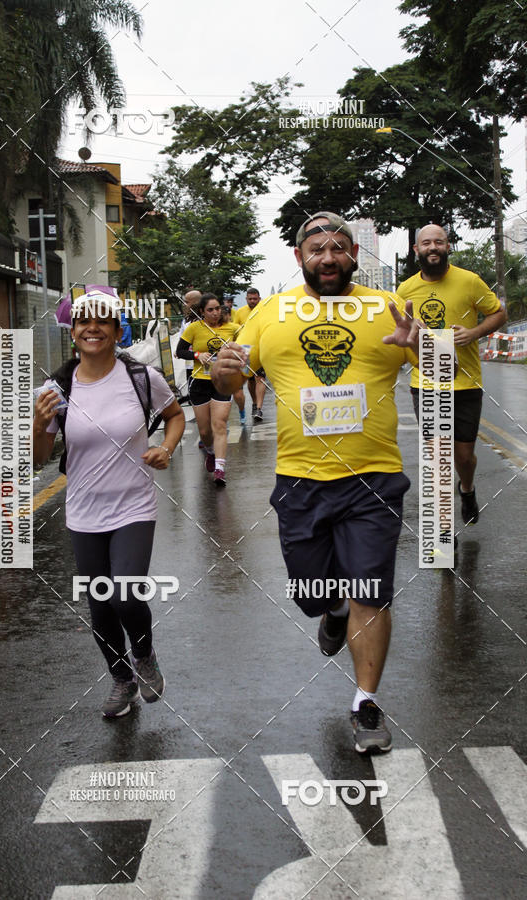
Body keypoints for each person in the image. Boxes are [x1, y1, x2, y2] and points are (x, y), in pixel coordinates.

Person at [212, 211, 421, 753]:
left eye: (338, 248)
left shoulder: (386, 307)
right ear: (300, 257)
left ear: (353, 254)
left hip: (374, 478)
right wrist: (224, 366)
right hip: (301, 480)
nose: (328, 257)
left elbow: (437, 371)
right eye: (317, 249)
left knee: (369, 590)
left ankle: (366, 704)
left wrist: (420, 346)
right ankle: (330, 611)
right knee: (315, 592)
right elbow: (226, 379)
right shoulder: (271, 313)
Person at [33, 290, 185, 718]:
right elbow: (38, 458)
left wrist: (166, 448)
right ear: (74, 333)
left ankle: (145, 656)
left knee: (125, 593)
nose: (92, 327)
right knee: (100, 606)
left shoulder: (141, 378)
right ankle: (122, 681)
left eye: (102, 321)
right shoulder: (57, 388)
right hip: (83, 511)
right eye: (84, 322)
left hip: (134, 506)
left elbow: (175, 415)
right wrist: (40, 424)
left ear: (118, 331)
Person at [397, 224, 506, 531]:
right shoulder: (404, 291)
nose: (433, 247)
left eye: (439, 242)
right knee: (437, 455)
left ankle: (467, 489)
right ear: (416, 250)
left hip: (467, 382)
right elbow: (397, 332)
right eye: (426, 243)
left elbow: (498, 313)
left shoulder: (469, 281)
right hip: (427, 383)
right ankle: (442, 532)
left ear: (448, 247)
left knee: (464, 455)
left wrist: (474, 333)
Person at [176, 292, 238, 486]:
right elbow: (179, 351)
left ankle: (220, 468)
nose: (214, 313)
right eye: (210, 310)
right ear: (202, 311)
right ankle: (210, 452)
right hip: (200, 381)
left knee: (219, 425)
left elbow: (246, 347)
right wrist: (197, 355)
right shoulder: (194, 328)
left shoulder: (233, 328)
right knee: (204, 431)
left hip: (222, 381)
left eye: (217, 309)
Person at [233, 287, 267, 422]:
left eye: (255, 299)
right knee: (251, 379)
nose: (253, 301)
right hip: (245, 351)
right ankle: (254, 403)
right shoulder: (240, 312)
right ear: (246, 299)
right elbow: (234, 331)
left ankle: (259, 408)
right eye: (250, 299)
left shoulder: (265, 310)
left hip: (261, 349)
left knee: (261, 378)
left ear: (259, 298)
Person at [221, 304, 246, 425]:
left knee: (238, 394)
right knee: (220, 394)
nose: (221, 317)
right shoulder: (210, 328)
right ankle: (221, 420)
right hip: (215, 366)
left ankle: (242, 411)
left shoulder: (235, 328)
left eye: (224, 314)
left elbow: (245, 343)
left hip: (233, 363)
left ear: (229, 315)